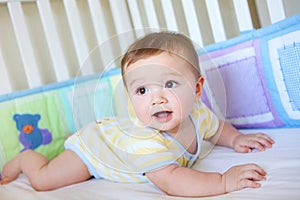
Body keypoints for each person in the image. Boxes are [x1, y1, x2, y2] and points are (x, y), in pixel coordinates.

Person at [0, 32, 274, 197]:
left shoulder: (199, 114)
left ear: (197, 88)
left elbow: (216, 129)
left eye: (170, 84)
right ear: (130, 96)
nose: (157, 99)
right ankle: (26, 160)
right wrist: (224, 181)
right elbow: (171, 180)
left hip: (111, 137)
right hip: (94, 149)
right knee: (43, 182)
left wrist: (236, 138)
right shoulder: (145, 139)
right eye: (142, 90)